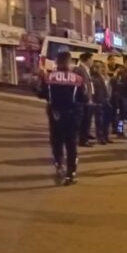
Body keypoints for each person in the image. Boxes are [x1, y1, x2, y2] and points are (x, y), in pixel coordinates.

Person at [38, 51, 87, 186]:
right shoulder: (77, 79)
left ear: (57, 62)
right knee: (71, 145)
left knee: (57, 142)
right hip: (72, 115)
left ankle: (59, 166)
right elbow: (84, 97)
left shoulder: (48, 77)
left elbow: (42, 94)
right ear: (69, 62)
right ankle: (70, 174)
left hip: (55, 115)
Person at [74, 53, 96, 147]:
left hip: (87, 98)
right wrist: (87, 99)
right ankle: (83, 140)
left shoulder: (85, 70)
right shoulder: (80, 70)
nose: (92, 62)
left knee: (87, 120)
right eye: (91, 59)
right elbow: (82, 87)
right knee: (84, 121)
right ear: (86, 60)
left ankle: (85, 137)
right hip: (84, 100)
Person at [90, 62, 113, 145]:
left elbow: (110, 89)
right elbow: (93, 91)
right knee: (99, 120)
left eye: (104, 67)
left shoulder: (108, 78)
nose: (103, 69)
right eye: (101, 68)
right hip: (98, 101)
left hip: (107, 101)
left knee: (107, 120)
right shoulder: (94, 78)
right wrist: (94, 100)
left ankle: (106, 136)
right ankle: (100, 137)